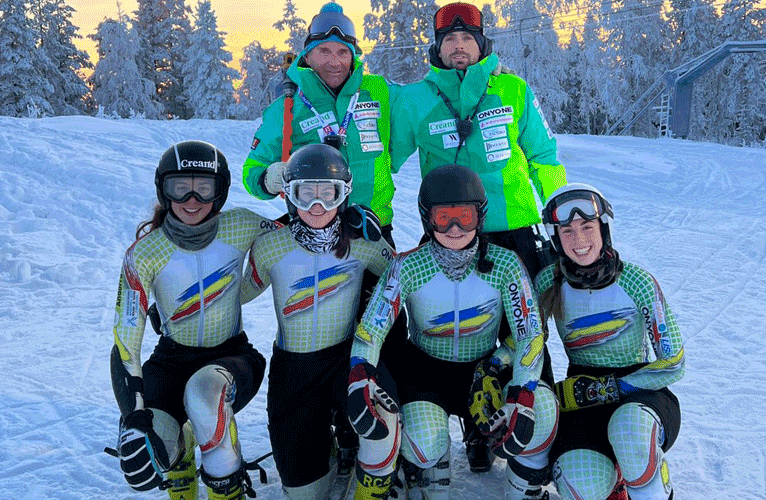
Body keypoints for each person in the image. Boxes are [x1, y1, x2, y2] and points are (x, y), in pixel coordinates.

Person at [348, 165, 559, 500]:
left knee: (543, 409)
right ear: (427, 220)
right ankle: (423, 465)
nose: (457, 229)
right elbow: (371, 330)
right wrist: (360, 377)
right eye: (444, 218)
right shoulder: (409, 266)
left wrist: (523, 394)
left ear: (481, 216)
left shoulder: (505, 264)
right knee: (423, 446)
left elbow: (530, 335)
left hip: (483, 373)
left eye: (466, 216)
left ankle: (524, 487)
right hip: (427, 374)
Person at [110, 141, 274, 500]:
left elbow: (299, 237)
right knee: (148, 451)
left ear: (221, 191)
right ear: (162, 189)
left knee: (202, 396)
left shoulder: (242, 224)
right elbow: (126, 340)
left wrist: (349, 227)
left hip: (232, 356)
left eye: (204, 187)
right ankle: (179, 454)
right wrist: (134, 417)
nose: (192, 199)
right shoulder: (146, 252)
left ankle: (224, 484)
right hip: (171, 360)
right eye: (179, 187)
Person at [241, 143, 397, 500]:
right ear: (289, 195)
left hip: (346, 359)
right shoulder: (270, 247)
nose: (316, 206)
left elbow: (405, 278)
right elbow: (236, 295)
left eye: (328, 194)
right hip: (293, 370)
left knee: (382, 422)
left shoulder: (363, 243)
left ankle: (370, 481)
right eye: (304, 193)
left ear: (344, 195)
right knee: (303, 493)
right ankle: (322, 444)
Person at [390, 1, 567, 277]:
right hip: (449, 233)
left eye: (466, 38)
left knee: (524, 318)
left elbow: (543, 156)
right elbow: (385, 158)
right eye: (449, 38)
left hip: (515, 234)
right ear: (437, 46)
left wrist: (562, 210)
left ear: (482, 42)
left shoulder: (513, 88)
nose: (458, 45)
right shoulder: (413, 100)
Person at [535, 183, 685, 500]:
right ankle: (616, 478)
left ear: (604, 228)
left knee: (629, 432)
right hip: (582, 398)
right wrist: (495, 366)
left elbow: (674, 362)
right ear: (556, 239)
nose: (579, 240)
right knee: (580, 485)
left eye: (587, 226)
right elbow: (527, 341)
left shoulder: (636, 281)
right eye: (567, 231)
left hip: (642, 394)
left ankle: (649, 479)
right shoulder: (548, 282)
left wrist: (612, 388)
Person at [242, 1, 399, 246]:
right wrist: (267, 178)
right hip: (313, 228)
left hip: (372, 229)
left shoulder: (379, 91)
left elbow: (417, 119)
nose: (335, 62)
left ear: (353, 55)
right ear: (308, 54)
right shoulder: (287, 107)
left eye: (343, 52)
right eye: (324, 51)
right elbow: (252, 170)